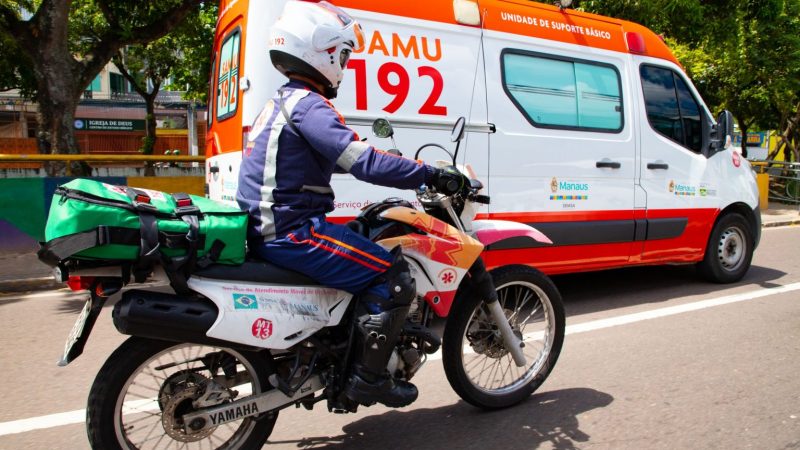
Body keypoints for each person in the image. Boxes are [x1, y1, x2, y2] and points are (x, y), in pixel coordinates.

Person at [236, 0, 465, 408]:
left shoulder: (282, 102)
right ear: (319, 51)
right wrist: (429, 173)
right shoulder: (309, 105)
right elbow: (361, 161)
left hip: (269, 227)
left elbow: (317, 162)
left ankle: (338, 355)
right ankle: (367, 379)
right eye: (342, 55)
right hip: (292, 233)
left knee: (362, 243)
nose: (344, 64)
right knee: (392, 276)